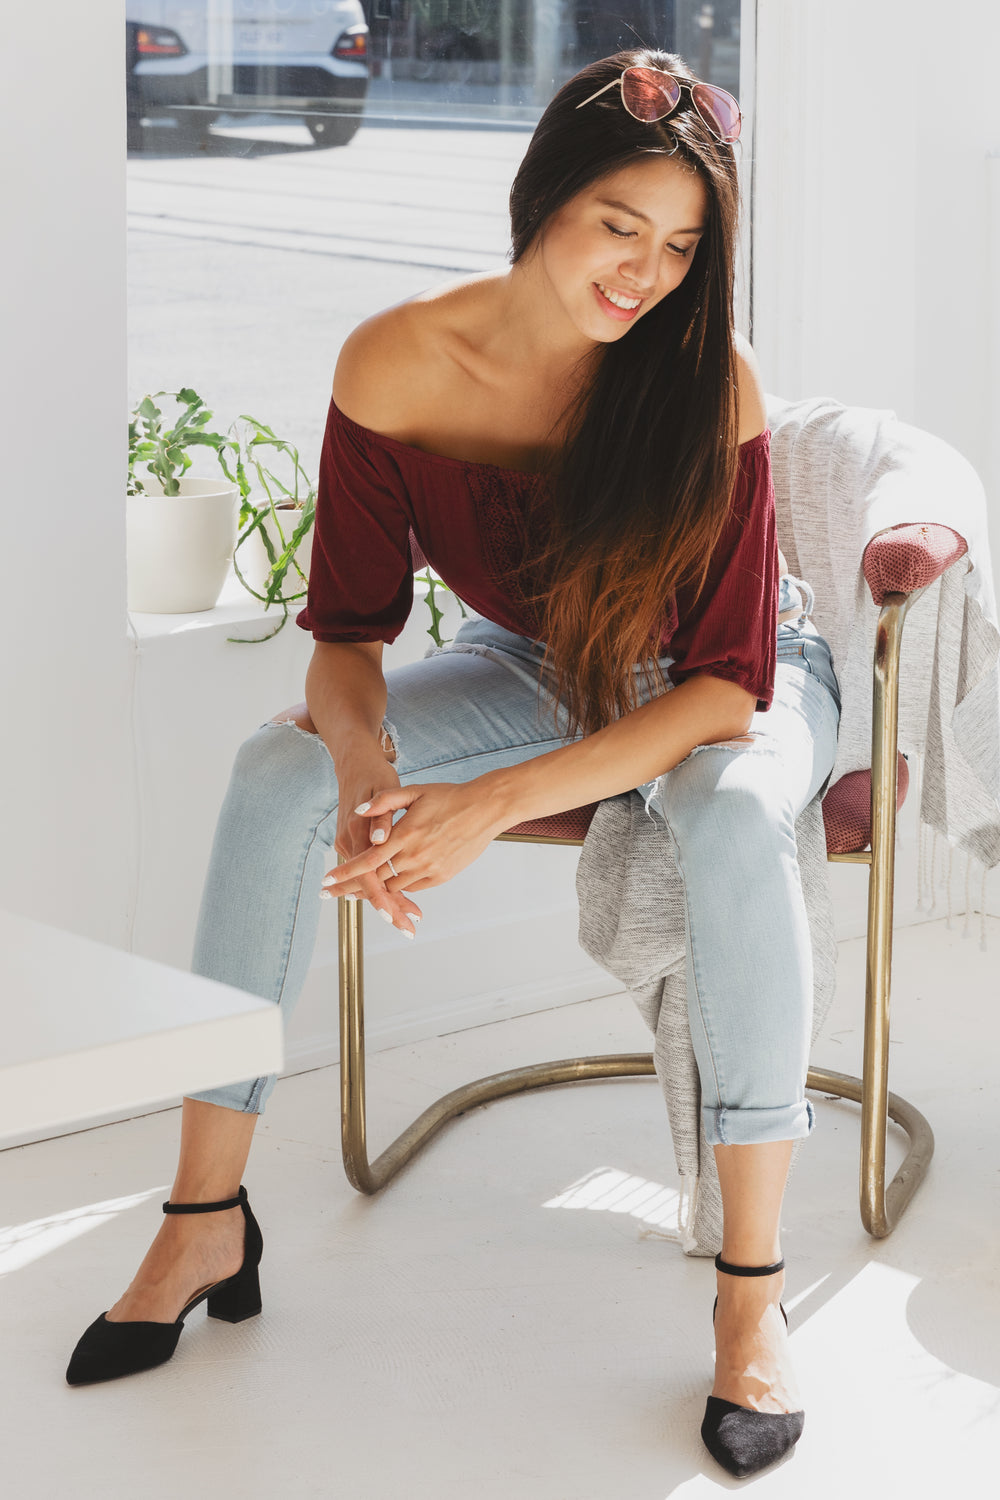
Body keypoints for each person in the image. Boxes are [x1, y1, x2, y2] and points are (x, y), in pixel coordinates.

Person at [68, 49, 841, 1480]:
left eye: (682, 247)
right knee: (273, 771)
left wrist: (488, 802)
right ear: (539, 197)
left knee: (732, 821)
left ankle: (750, 1294)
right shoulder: (397, 363)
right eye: (620, 227)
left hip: (732, 681)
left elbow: (729, 685)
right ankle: (201, 1217)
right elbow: (347, 640)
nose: (648, 274)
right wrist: (366, 769)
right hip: (542, 665)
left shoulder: (706, 379)